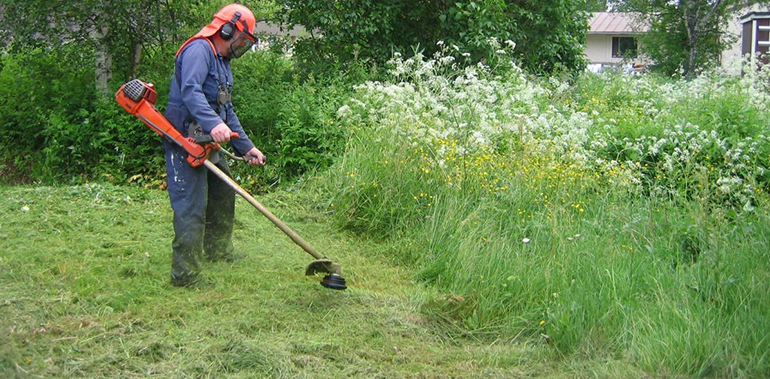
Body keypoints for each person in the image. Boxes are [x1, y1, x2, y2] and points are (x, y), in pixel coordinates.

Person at [163, 3, 266, 288]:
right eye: (242, 39)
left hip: (208, 141)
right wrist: (213, 124)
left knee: (223, 194)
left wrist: (246, 147)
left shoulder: (222, 62)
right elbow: (191, 92)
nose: (242, 46)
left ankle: (218, 252)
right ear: (227, 28)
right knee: (191, 206)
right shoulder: (199, 50)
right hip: (186, 140)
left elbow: (226, 109)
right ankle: (185, 275)